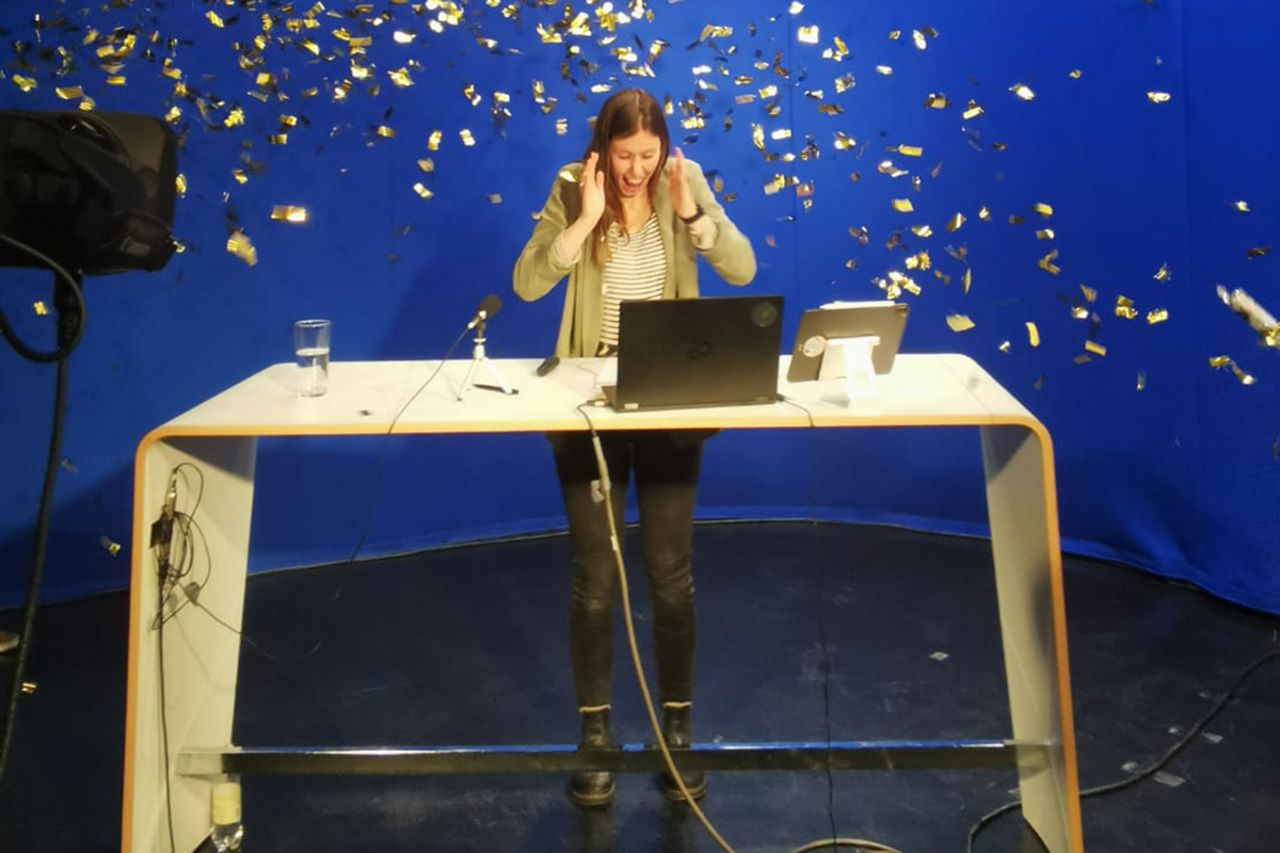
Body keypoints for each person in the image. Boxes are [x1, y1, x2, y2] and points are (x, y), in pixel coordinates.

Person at [513, 88, 756, 807]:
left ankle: (675, 734)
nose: (635, 170)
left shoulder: (684, 179)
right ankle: (596, 740)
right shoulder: (573, 185)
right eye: (624, 155)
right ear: (603, 149)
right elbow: (527, 283)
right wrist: (586, 218)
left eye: (647, 155)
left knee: (670, 574)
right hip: (589, 402)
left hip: (669, 398)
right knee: (594, 577)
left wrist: (692, 215)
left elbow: (741, 268)